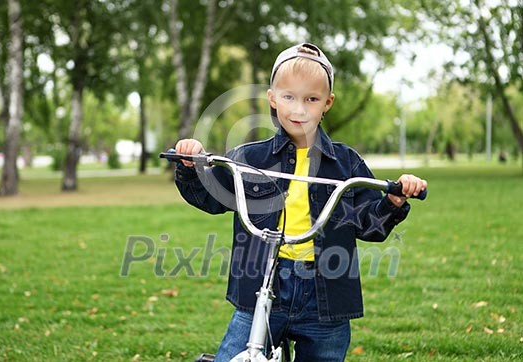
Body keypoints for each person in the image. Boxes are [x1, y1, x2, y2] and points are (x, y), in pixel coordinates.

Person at [174, 43, 427, 362]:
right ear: (272, 98)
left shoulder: (345, 163)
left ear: (327, 103)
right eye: (289, 97)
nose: (299, 109)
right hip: (261, 288)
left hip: (325, 296)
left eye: (311, 99)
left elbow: (370, 226)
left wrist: (392, 201)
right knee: (236, 354)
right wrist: (191, 167)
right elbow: (211, 196)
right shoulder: (250, 159)